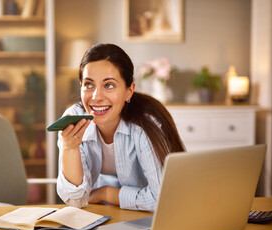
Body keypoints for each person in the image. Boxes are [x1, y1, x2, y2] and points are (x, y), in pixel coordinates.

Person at [56, 43, 185, 212]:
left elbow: (162, 198)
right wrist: (69, 148)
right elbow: (74, 200)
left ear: (129, 91)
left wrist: (106, 194)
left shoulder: (145, 125)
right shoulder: (72, 121)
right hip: (105, 212)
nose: (96, 97)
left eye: (109, 85)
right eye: (88, 84)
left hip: (150, 217)